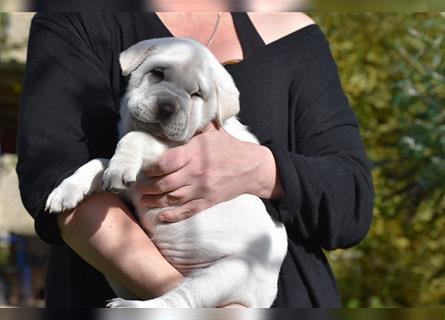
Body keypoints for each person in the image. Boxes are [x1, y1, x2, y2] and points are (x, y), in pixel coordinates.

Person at [17, 12, 374, 307]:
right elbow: (53, 172)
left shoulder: (294, 33)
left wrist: (259, 169)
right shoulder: (79, 17)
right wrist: (195, 306)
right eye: (158, 75)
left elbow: (352, 202)